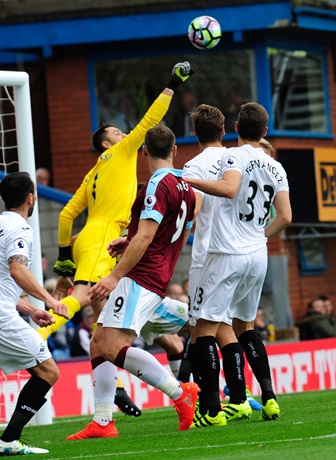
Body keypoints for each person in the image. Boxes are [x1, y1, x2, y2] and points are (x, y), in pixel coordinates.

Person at [40, 61, 194, 416]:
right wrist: (171, 84)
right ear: (107, 143)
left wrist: (65, 254)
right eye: (116, 132)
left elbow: (66, 215)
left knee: (105, 334)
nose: (125, 134)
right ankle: (39, 339)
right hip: (107, 240)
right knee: (87, 305)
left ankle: (107, 411)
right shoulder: (124, 153)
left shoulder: (93, 172)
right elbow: (150, 121)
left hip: (92, 238)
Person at [66, 124, 198, 440]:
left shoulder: (155, 185)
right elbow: (179, 233)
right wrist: (130, 240)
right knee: (99, 341)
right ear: (175, 150)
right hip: (155, 272)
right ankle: (102, 421)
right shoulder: (187, 188)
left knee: (112, 346)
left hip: (141, 276)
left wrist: (114, 276)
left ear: (144, 152)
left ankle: (181, 393)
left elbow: (150, 234)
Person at [184, 102, 292, 424]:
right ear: (266, 130)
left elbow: (230, 189)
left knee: (204, 329)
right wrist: (260, 235)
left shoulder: (234, 156)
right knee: (245, 327)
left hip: (225, 254)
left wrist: (189, 182)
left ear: (235, 129)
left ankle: (214, 410)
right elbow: (285, 216)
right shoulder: (276, 166)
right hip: (258, 255)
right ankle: (269, 397)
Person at [181, 102, 254, 427]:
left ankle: (210, 407)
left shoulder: (192, 167)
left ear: (194, 133)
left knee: (201, 332)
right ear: (223, 130)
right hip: (242, 252)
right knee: (225, 327)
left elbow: (192, 212)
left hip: (209, 257)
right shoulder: (235, 160)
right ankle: (239, 399)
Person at [0, 172, 69, 455]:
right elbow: (17, 269)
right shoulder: (20, 229)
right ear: (31, 198)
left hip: (7, 311)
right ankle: (9, 441)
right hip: (2, 318)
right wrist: (49, 300)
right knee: (47, 371)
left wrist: (30, 308)